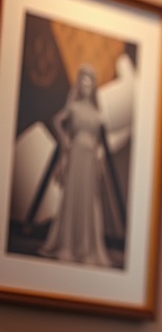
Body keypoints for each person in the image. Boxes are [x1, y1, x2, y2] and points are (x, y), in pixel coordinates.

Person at [39, 63, 112, 267]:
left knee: (89, 200)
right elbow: (57, 120)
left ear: (93, 87)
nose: (86, 87)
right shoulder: (74, 107)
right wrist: (65, 141)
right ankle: (67, 246)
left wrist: (100, 160)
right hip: (77, 154)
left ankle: (85, 248)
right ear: (79, 86)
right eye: (84, 83)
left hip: (90, 158)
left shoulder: (97, 112)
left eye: (90, 84)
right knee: (72, 196)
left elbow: (99, 142)